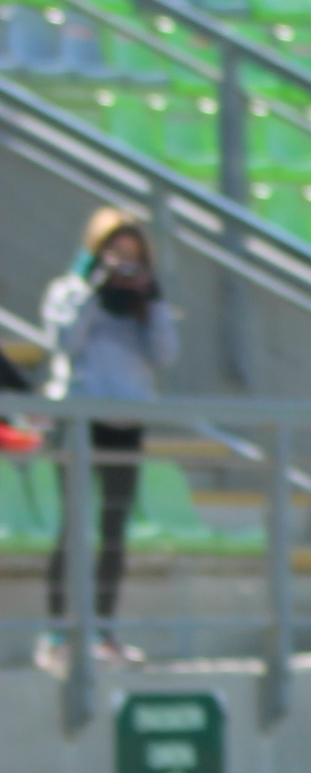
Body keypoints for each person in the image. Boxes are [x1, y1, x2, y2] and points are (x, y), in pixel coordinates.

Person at [37, 206, 180, 671]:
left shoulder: (144, 302)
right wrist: (93, 292)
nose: (124, 265)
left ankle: (104, 631)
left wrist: (153, 302)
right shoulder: (69, 290)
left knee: (114, 529)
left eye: (133, 257)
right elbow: (65, 342)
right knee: (74, 525)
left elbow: (165, 354)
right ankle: (58, 634)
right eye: (116, 255)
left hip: (126, 421)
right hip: (80, 419)